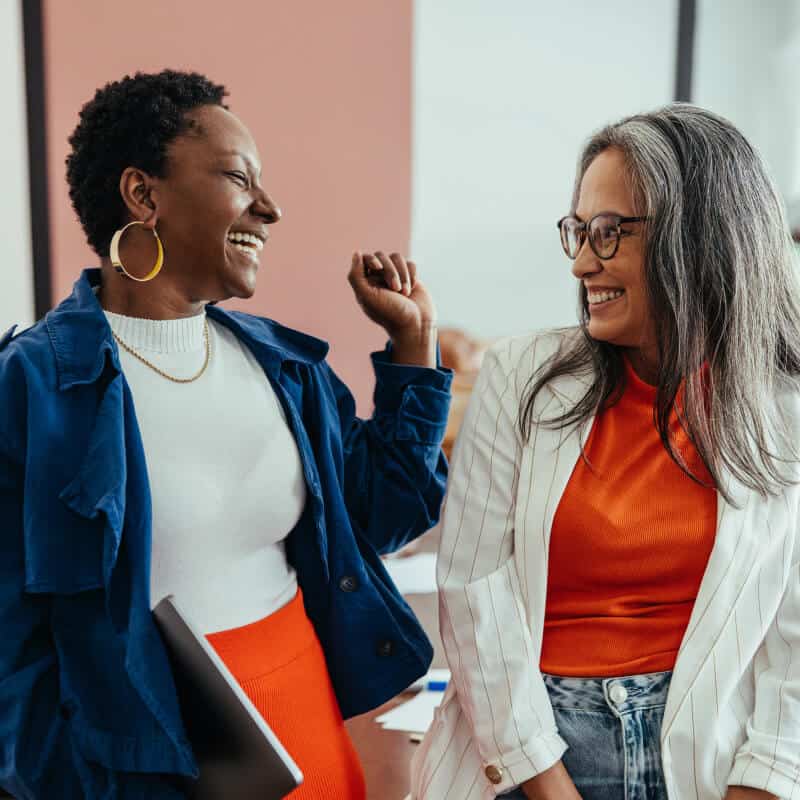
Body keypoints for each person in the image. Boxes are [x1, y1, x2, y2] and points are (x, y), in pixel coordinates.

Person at [0, 69, 452, 799]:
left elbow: (384, 514)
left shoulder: (283, 367)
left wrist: (413, 345)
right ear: (144, 196)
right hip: (137, 764)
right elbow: (9, 645)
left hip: (302, 731)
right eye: (241, 179)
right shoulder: (30, 388)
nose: (269, 210)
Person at [410, 104, 800, 800]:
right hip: (536, 751)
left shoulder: (786, 408)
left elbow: (793, 649)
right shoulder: (519, 379)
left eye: (611, 233)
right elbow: (474, 596)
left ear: (699, 238)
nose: (584, 261)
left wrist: (760, 786)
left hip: (712, 758)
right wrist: (550, 786)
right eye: (580, 231)